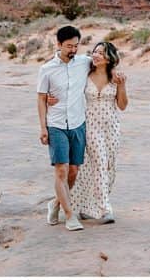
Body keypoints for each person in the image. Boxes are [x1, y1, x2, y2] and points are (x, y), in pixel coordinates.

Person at [54, 41, 128, 224]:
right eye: (95, 52)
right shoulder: (85, 75)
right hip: (91, 126)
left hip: (111, 127)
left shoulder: (115, 77)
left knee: (107, 166)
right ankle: (105, 209)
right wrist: (50, 97)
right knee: (100, 162)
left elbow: (122, 105)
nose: (96, 55)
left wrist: (122, 86)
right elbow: (67, 88)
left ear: (109, 57)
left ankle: (88, 206)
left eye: (101, 53)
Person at [36, 25, 91, 231]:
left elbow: (106, 63)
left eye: (76, 46)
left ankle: (55, 203)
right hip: (56, 124)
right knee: (61, 170)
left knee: (73, 171)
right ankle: (69, 216)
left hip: (78, 124)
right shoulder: (47, 69)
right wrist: (43, 128)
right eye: (69, 46)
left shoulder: (85, 63)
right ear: (58, 45)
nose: (73, 50)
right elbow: (41, 99)